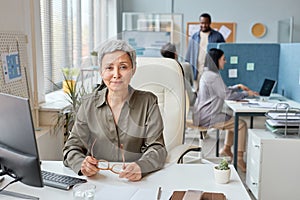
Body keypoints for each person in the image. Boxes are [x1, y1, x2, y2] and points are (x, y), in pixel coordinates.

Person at [63, 40, 167, 181]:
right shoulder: (88, 104)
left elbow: (158, 148)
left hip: (136, 182)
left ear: (133, 70)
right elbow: (71, 148)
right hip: (98, 181)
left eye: (123, 67)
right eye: (109, 68)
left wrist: (142, 166)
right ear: (101, 72)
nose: (116, 74)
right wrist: (82, 164)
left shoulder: (148, 102)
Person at [192, 48, 258, 172]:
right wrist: (246, 94)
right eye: (223, 59)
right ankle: (239, 159)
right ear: (216, 60)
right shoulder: (213, 76)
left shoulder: (207, 73)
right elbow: (227, 95)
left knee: (233, 120)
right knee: (241, 124)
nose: (225, 61)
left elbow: (223, 90)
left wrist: (237, 87)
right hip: (208, 116)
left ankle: (227, 148)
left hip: (202, 114)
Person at [185, 13, 225, 90]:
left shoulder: (218, 36)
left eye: (206, 23)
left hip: (211, 70)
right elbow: (189, 55)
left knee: (211, 92)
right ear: (199, 23)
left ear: (210, 23)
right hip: (197, 70)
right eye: (202, 23)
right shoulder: (194, 37)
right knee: (197, 93)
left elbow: (222, 54)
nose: (204, 25)